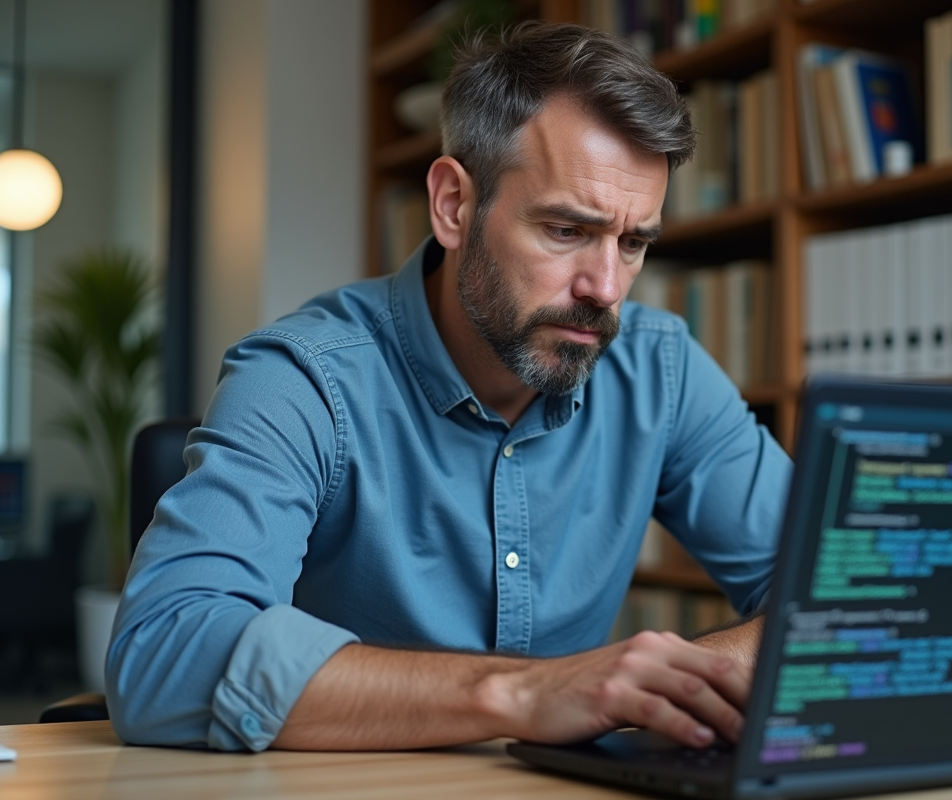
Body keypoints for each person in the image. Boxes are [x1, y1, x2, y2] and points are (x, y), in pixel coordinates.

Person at [107, 21, 792, 753]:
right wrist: (523, 694)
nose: (605, 288)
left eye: (633, 243)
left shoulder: (662, 369)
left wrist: (674, 680)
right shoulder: (301, 378)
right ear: (454, 205)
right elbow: (161, 655)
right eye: (565, 229)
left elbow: (852, 601)